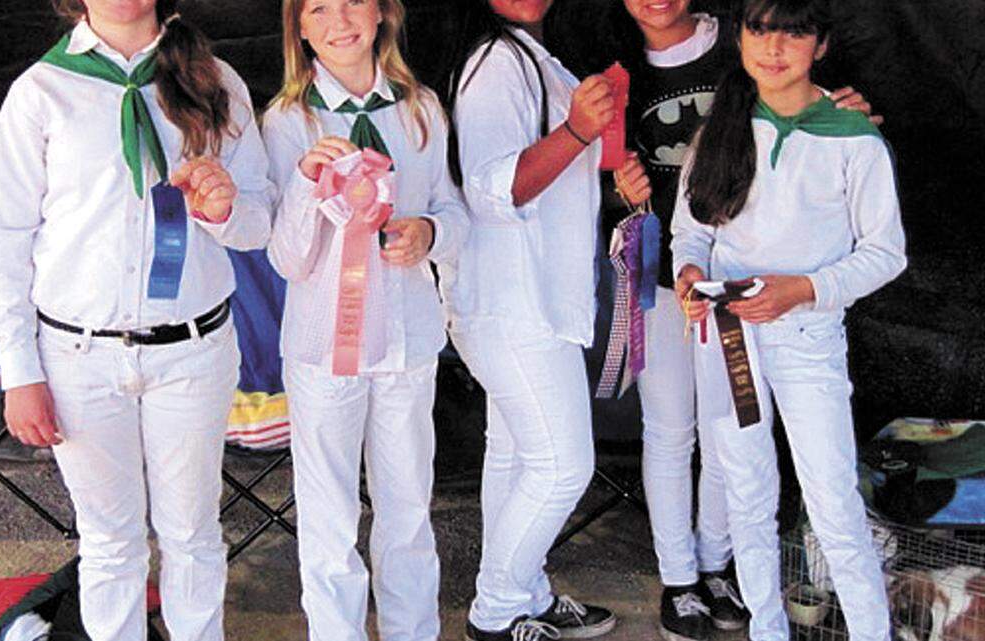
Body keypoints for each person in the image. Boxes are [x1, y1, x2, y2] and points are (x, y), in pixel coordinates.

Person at [0, 1, 273, 640]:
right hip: (79, 357)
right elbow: (3, 236)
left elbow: (260, 224)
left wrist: (225, 209)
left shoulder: (214, 79)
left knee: (192, 531)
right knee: (109, 540)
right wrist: (19, 367)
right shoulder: (41, 91)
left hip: (191, 353)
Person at [609, 1, 879, 638]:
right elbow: (667, 214)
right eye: (764, 32)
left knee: (784, 473)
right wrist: (672, 255)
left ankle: (724, 566)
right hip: (694, 298)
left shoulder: (762, 67)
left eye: (791, 34)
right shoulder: (622, 72)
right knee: (693, 441)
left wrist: (806, 287)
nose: (775, 46)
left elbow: (876, 240)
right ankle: (691, 583)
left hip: (784, 315)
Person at [261, 1, 468, 639]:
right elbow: (288, 257)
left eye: (354, 1)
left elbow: (454, 212)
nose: (340, 19)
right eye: (318, 7)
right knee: (329, 519)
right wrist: (304, 183)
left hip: (407, 343)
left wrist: (428, 233)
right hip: (325, 349)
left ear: (382, 14)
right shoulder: (287, 121)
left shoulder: (421, 109)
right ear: (299, 27)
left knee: (408, 511)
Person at [441, 1, 619, 639]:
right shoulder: (497, 63)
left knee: (516, 456)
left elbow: (550, 170)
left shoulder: (534, 56)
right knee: (562, 465)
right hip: (514, 300)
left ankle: (527, 598)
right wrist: (575, 131)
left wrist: (596, 153)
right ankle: (495, 612)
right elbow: (495, 188)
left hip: (530, 295)